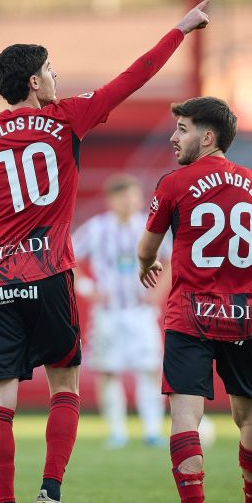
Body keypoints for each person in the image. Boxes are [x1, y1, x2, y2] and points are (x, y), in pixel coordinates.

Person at [0, 0, 212, 503]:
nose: (58, 78)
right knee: (65, 385)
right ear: (36, 80)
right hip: (50, 277)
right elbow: (135, 76)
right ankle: (52, 491)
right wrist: (180, 29)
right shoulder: (67, 118)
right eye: (53, 71)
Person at [137, 97, 252, 503]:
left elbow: (146, 248)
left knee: (186, 416)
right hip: (242, 318)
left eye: (182, 128)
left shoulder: (174, 184)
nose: (173, 137)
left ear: (207, 137)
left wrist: (144, 264)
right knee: (250, 418)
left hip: (189, 315)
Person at [72, 174, 168, 448]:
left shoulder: (150, 227)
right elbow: (69, 258)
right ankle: (117, 431)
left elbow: (173, 259)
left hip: (140, 311)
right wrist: (88, 288)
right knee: (108, 370)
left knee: (149, 368)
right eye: (124, 197)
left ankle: (152, 430)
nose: (130, 202)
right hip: (108, 312)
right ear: (112, 200)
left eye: (134, 196)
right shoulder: (97, 228)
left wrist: (158, 293)